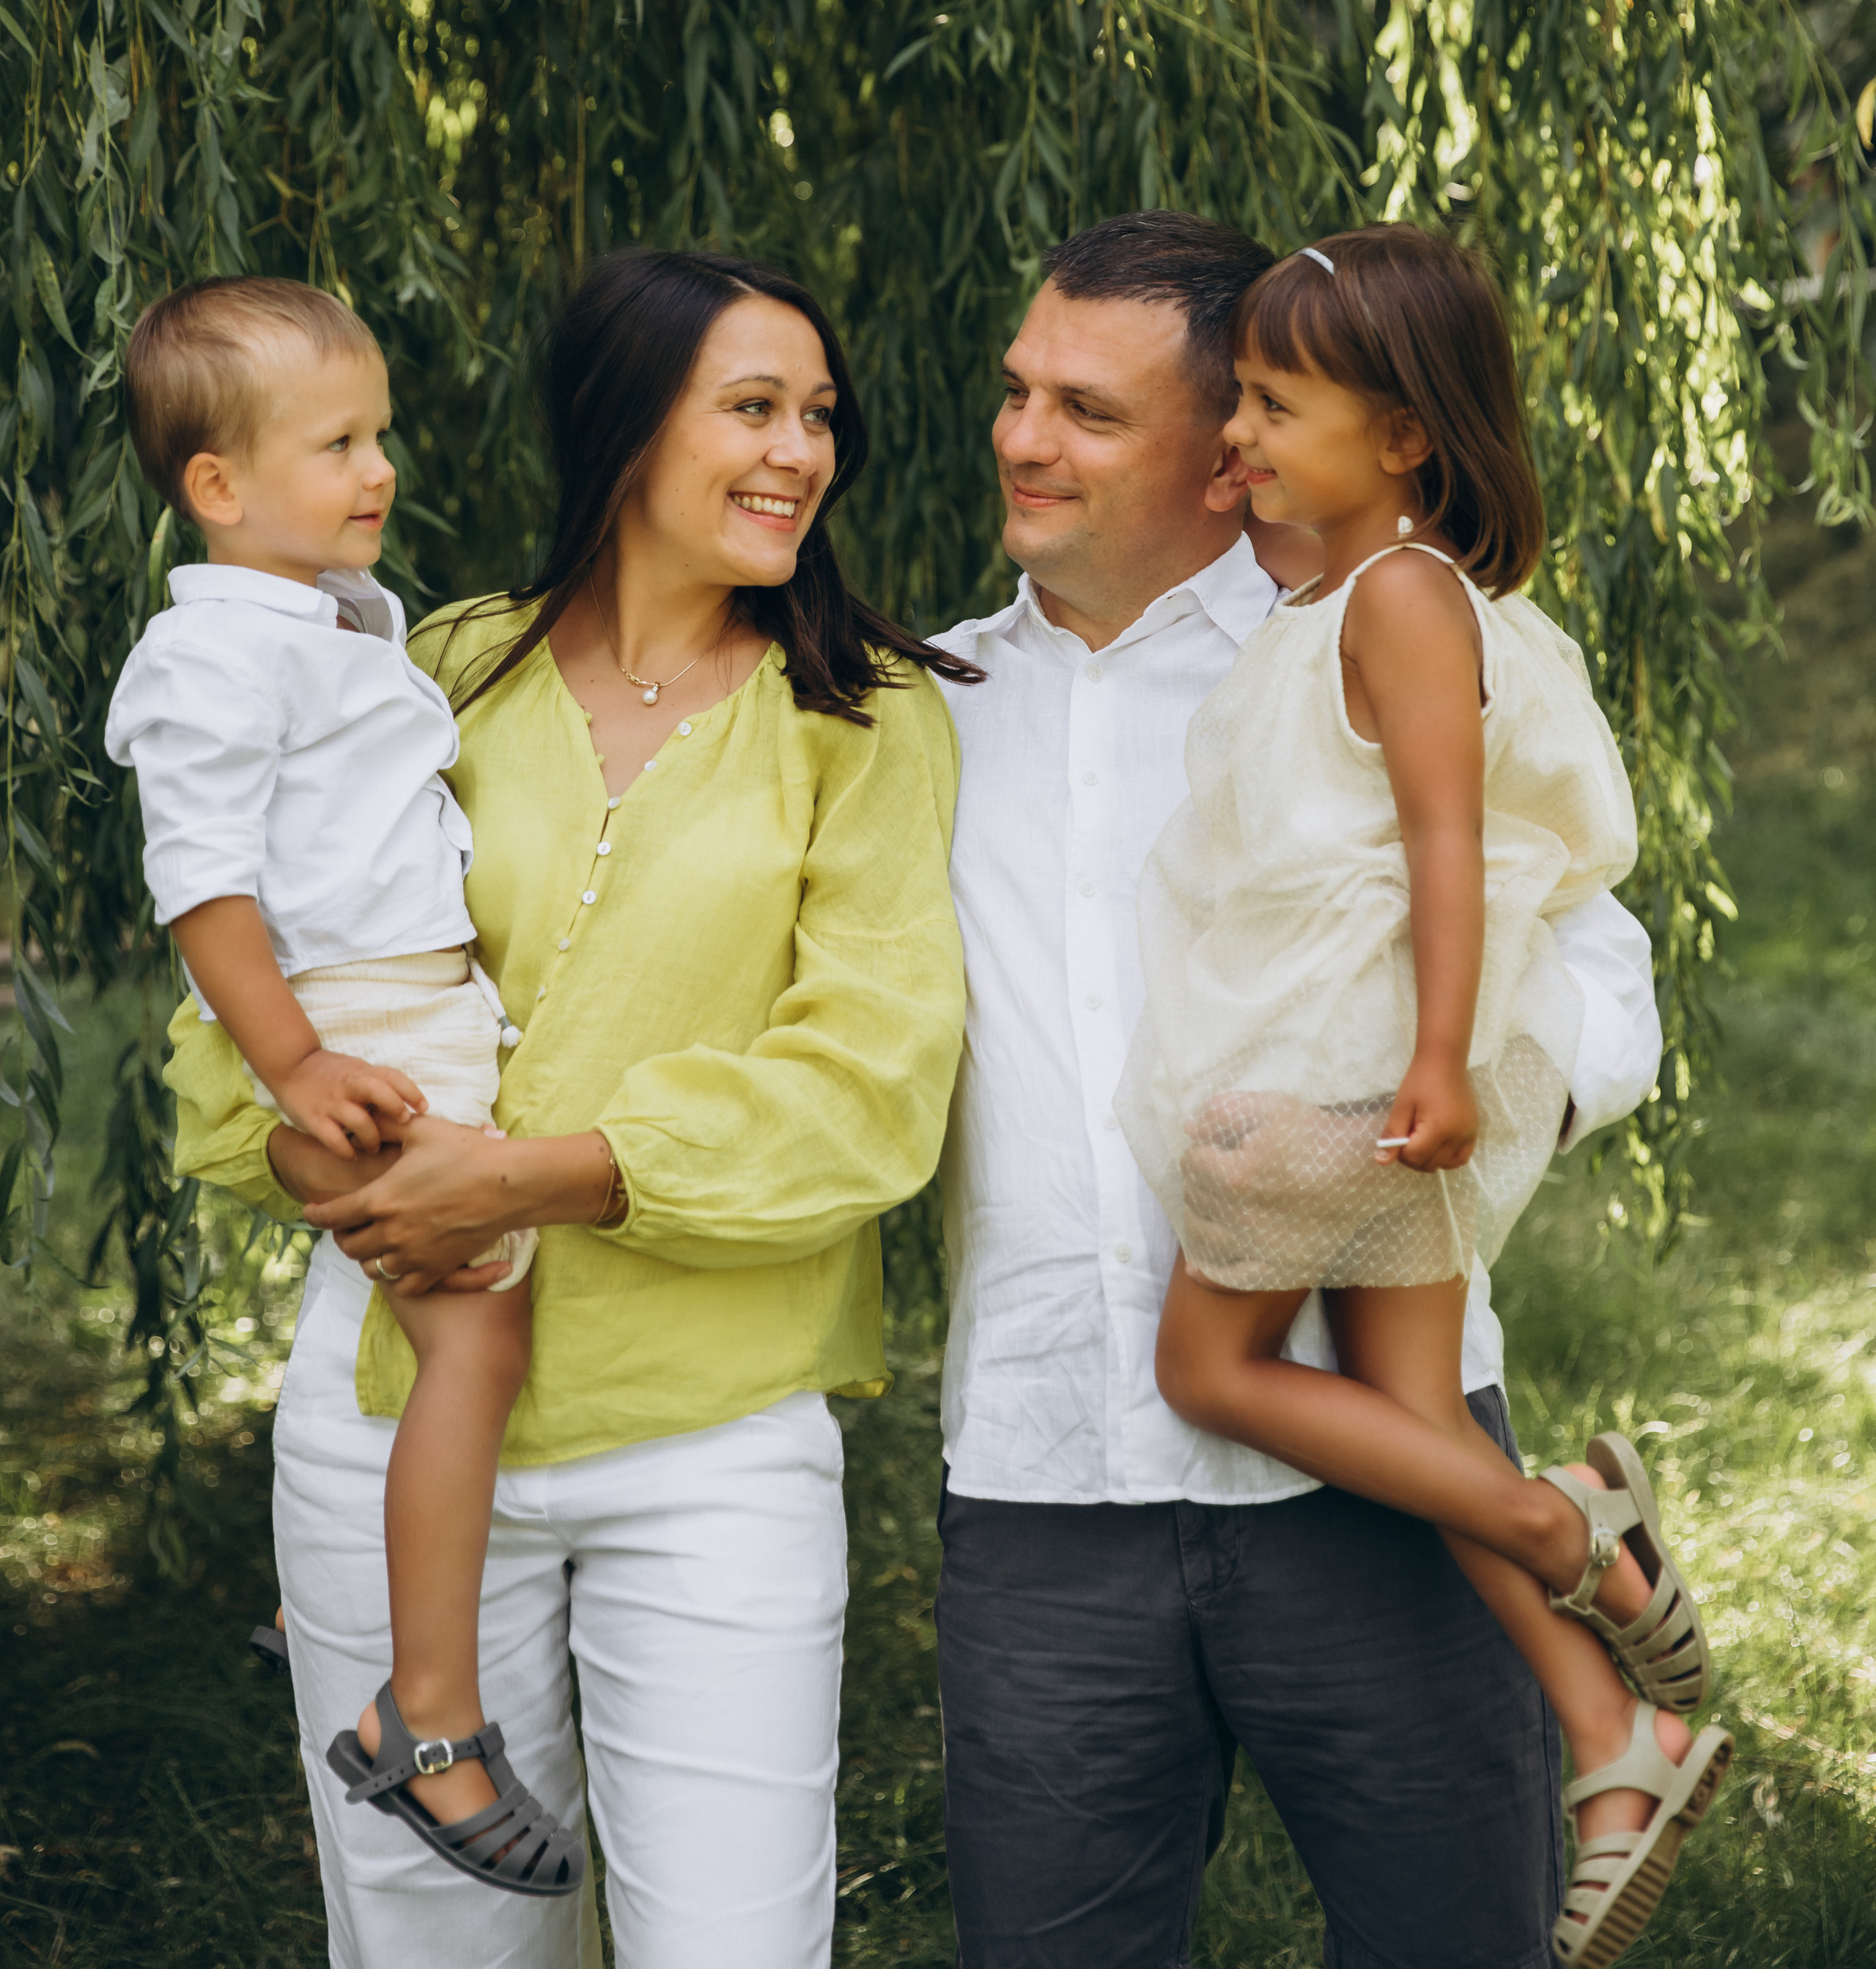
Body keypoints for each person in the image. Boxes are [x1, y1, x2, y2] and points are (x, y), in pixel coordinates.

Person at [159, 246, 975, 1969]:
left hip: (712, 1438)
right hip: (386, 1411)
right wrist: (336, 1159)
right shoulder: (430, 667)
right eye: (751, 408)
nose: (800, 451)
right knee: (430, 1946)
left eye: (819, 415)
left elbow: (869, 1087)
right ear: (625, 424)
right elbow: (241, 1007)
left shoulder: (861, 717)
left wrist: (528, 1177)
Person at [926, 210, 1670, 1969]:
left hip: (1375, 1467)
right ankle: (1590, 1568)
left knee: (1449, 1939)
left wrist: (1385, 1134)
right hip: (1044, 1469)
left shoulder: (1351, 640)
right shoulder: (919, 706)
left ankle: (1586, 1632)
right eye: (1018, 391)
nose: (1022, 437)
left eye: (1088, 411)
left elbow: (1593, 960)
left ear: (1224, 449)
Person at [1119, 228, 1731, 1969]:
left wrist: (1441, 1059)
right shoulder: (1355, 584)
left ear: (1402, 436)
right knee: (1416, 1420)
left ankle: (1568, 1527)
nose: (1234, 431)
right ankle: (1615, 1738)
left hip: (1357, 1064)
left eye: (1271, 405)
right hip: (1364, 1053)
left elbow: (1443, 840)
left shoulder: (1397, 595)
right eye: (1235, 397)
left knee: (1207, 1368)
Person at [107, 276, 582, 1897]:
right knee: (476, 1336)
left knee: (448, 1321)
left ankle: (329, 1613)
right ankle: (422, 1711)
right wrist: (295, 1062)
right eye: (335, 446)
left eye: (379, 434)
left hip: (418, 1011)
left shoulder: (334, 615)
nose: (380, 469)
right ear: (217, 485)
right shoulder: (210, 656)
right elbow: (202, 883)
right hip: (363, 1018)